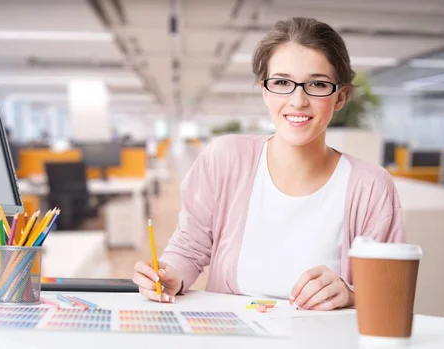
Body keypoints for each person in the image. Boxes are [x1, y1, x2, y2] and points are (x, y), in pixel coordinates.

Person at [132, 17, 405, 310]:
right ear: (264, 90)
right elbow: (188, 249)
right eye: (282, 83)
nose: (298, 100)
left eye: (317, 84)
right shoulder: (225, 159)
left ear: (340, 97)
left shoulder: (371, 187)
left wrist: (352, 295)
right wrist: (170, 274)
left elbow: (390, 291)